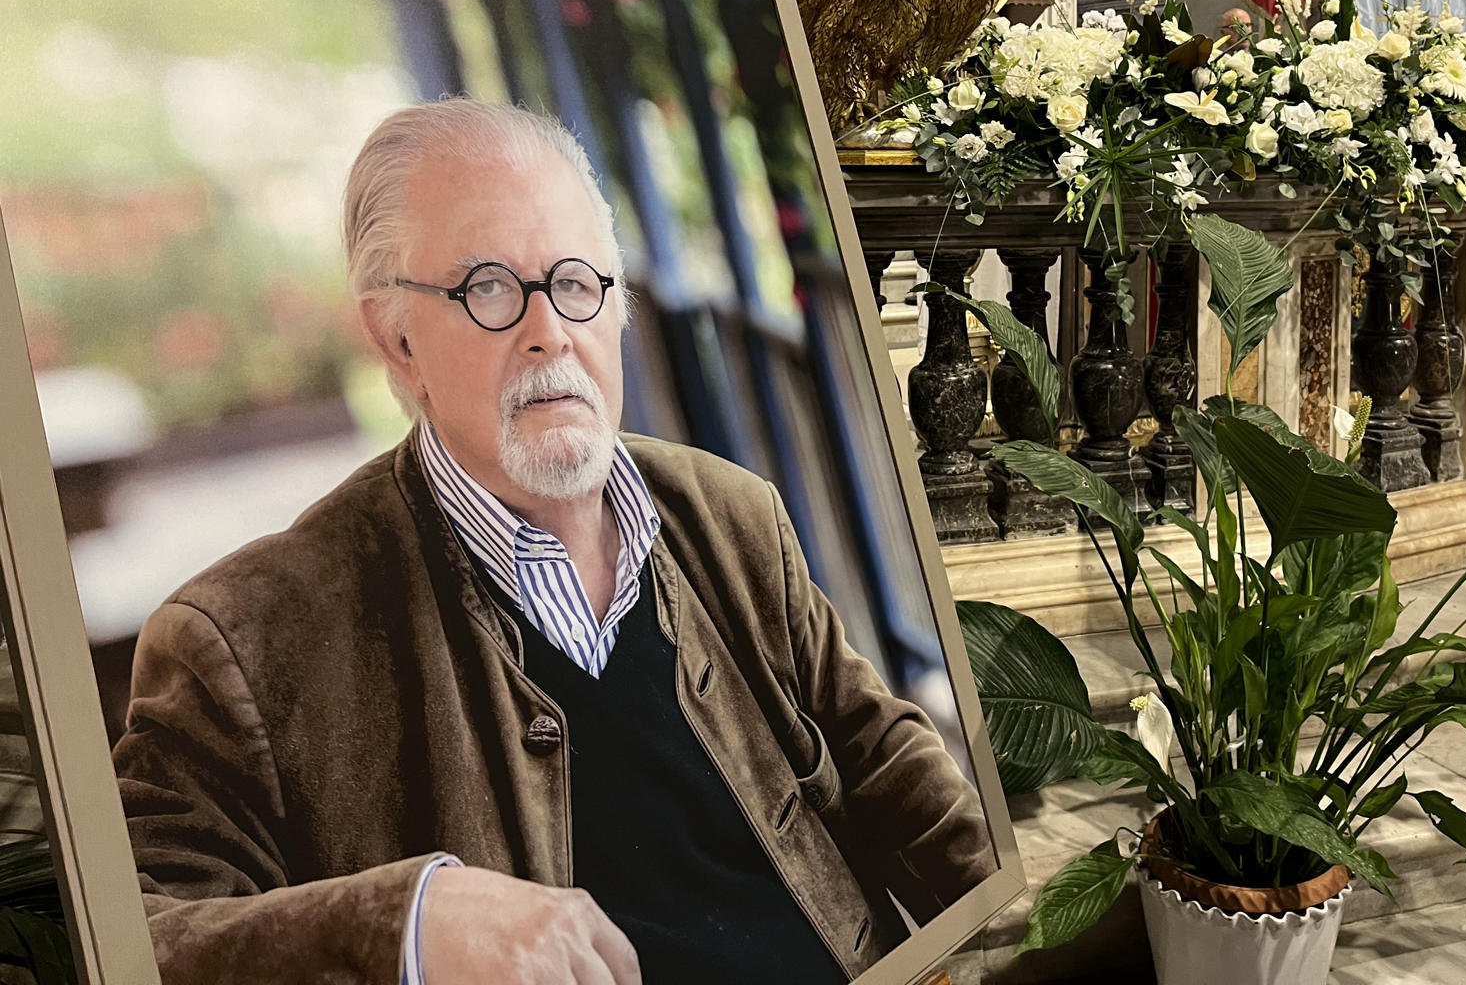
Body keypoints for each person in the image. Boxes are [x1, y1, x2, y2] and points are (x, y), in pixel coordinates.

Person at [112, 99, 995, 984]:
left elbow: (896, 775)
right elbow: (131, 936)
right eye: (488, 286)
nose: (549, 331)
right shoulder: (245, 643)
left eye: (575, 282)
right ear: (395, 338)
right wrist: (408, 923)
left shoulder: (732, 516)